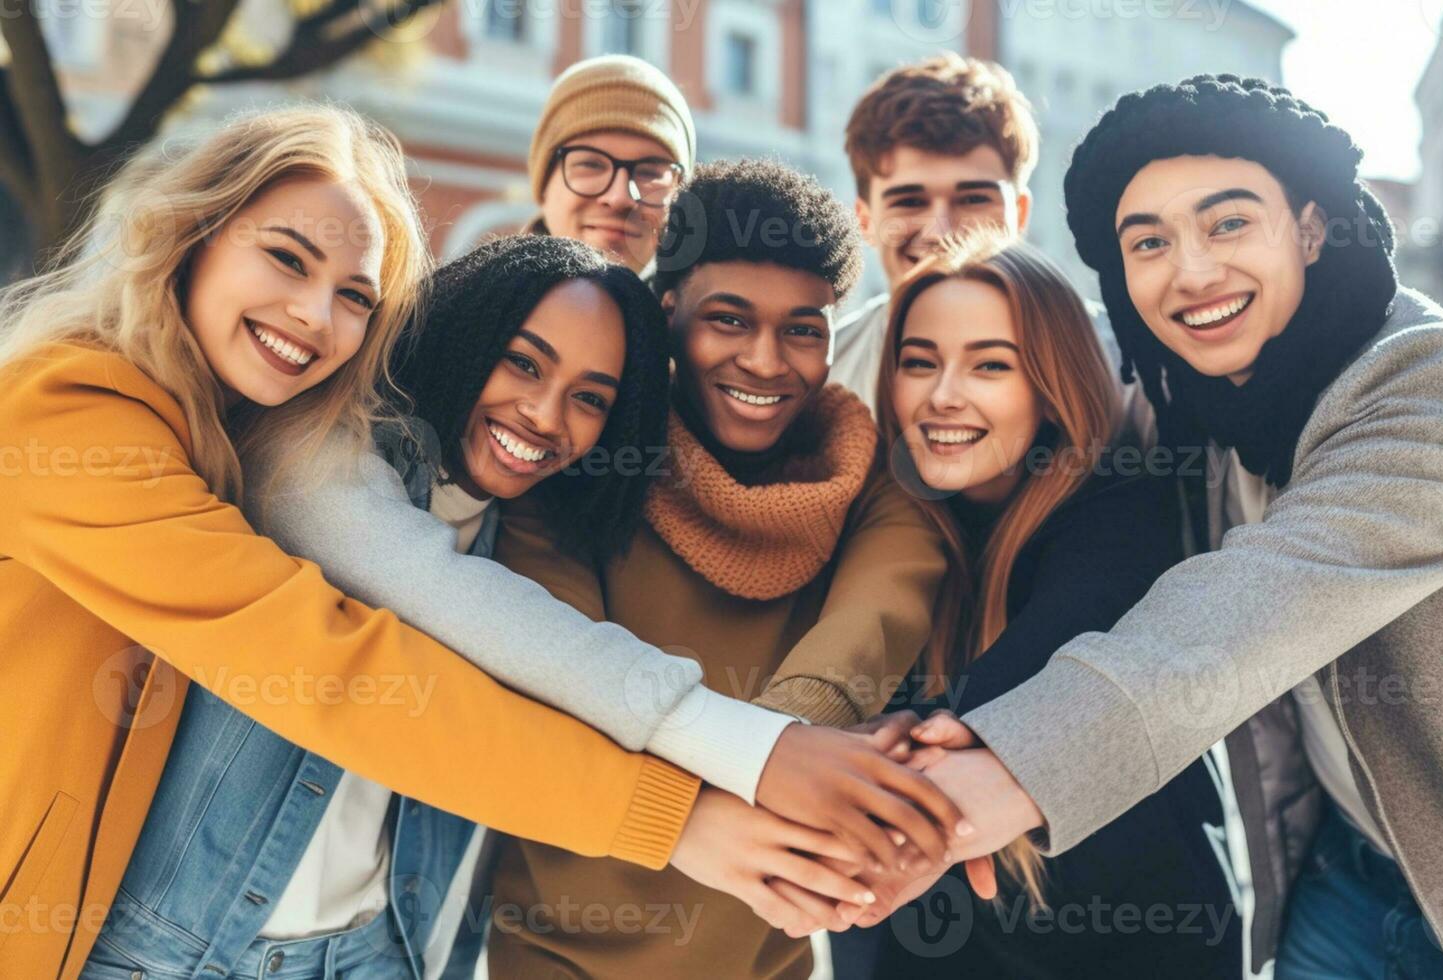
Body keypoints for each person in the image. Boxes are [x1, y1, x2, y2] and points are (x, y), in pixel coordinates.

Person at [868, 75, 1443, 980]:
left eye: (1228, 223)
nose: (1191, 272)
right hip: (1349, 872)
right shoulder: (1188, 408)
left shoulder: (1429, 383)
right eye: (1148, 242)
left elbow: (1242, 613)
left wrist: (1015, 763)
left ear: (1309, 228)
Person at [230, 234, 962, 977]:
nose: (547, 415)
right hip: (212, 944)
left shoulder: (515, 510)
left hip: (400, 949)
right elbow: (517, 641)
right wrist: (756, 755)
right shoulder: (318, 457)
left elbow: (883, 606)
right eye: (522, 361)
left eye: (590, 399)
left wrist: (822, 755)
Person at [487, 158, 953, 979]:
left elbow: (876, 621)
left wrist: (779, 741)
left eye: (803, 329)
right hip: (558, 954)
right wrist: (766, 765)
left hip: (770, 959)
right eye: (729, 321)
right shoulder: (584, 461)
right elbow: (556, 677)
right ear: (668, 316)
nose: (768, 362)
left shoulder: (871, 479)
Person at [864, 232, 1239, 978]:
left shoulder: (1122, 503)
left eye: (991, 365)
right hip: (943, 938)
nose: (943, 395)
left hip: (1140, 940)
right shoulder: (882, 518)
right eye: (919, 362)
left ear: (1050, 383)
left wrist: (891, 746)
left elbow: (1049, 644)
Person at [828, 53, 1144, 442]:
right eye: (909, 202)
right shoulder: (826, 371)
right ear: (864, 221)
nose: (942, 231)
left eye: (974, 199)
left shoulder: (1127, 364)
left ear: (1021, 214)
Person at [523, 54, 693, 274]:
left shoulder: (694, 305)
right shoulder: (472, 306)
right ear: (543, 184)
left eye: (650, 172)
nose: (619, 197)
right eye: (590, 164)